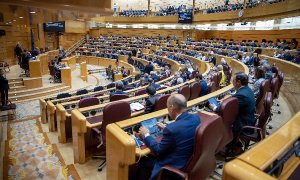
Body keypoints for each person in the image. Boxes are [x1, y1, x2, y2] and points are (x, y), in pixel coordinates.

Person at [137, 94, 201, 180]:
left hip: (173, 165)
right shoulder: (196, 118)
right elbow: (182, 131)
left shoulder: (172, 129)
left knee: (144, 160)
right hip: (188, 160)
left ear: (171, 107)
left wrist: (146, 135)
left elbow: (158, 150)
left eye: (167, 107)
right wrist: (166, 128)